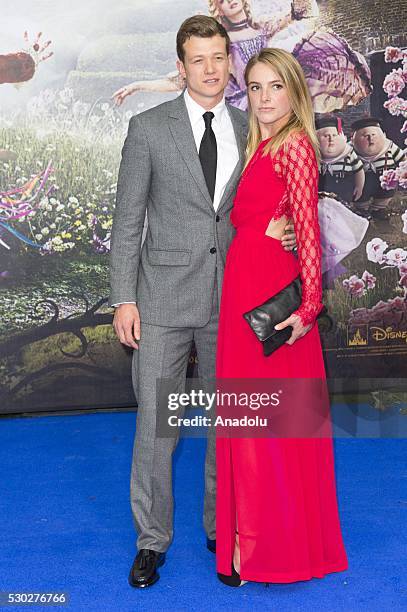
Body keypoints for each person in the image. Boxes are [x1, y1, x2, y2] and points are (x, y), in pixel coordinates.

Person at [109, 16, 296, 589]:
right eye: (199, 60)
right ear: (181, 65)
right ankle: (151, 540)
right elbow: (126, 222)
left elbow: (261, 203)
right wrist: (123, 300)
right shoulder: (147, 128)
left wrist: (278, 229)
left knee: (229, 424)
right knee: (156, 428)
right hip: (161, 298)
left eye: (220, 57)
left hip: (233, 299)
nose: (212, 70)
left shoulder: (254, 126)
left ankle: (225, 528)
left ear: (229, 61)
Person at [215, 47, 348, 586]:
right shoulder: (262, 145)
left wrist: (311, 306)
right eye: (256, 88)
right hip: (243, 289)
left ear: (295, 92)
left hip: (269, 301)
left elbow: (309, 231)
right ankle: (251, 537)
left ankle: (259, 549)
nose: (265, 98)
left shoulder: (294, 145)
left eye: (276, 87)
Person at [112, 0, 371, 114]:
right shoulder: (219, 39)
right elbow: (180, 81)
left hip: (271, 90)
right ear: (218, 7)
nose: (231, 0)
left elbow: (299, 11)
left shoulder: (260, 27)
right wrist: (138, 86)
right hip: (243, 104)